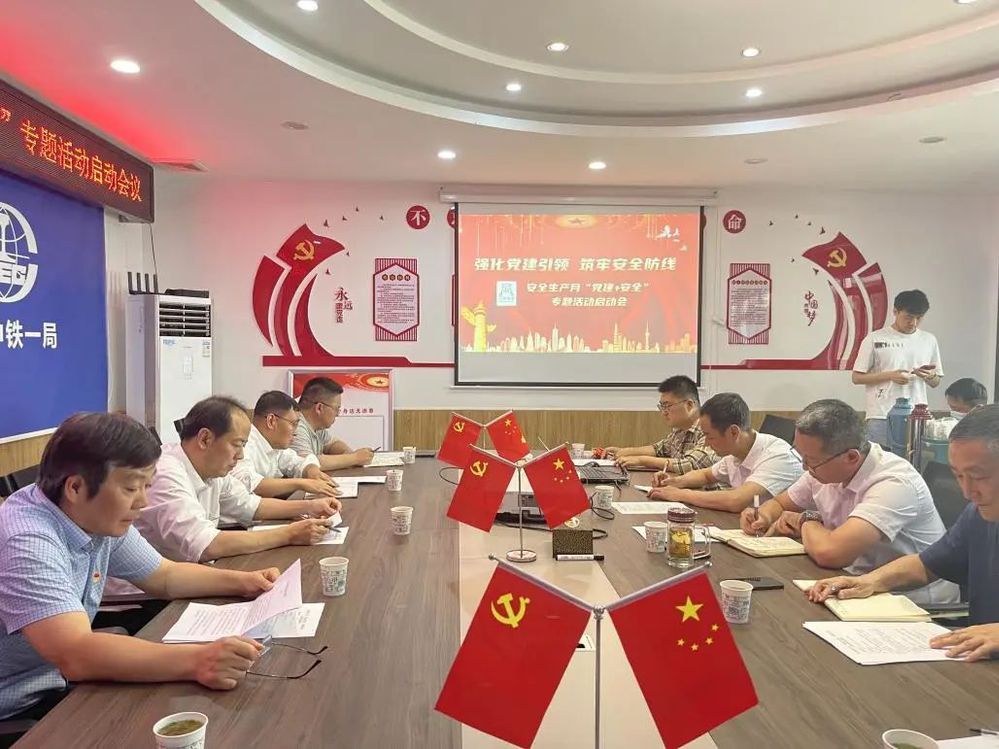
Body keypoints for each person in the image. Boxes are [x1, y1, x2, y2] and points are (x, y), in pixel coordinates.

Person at [0, 413, 275, 730]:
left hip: (55, 681)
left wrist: (245, 582)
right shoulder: (27, 540)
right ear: (75, 487)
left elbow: (164, 577)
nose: (143, 501)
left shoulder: (92, 515)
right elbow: (76, 654)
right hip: (17, 705)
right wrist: (200, 660)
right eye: (132, 488)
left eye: (147, 486)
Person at [807, 405, 999, 661]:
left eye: (978, 476)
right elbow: (926, 565)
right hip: (976, 661)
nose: (967, 492)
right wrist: (869, 581)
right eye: (959, 476)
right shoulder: (977, 515)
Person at [740, 399, 957, 605]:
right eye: (800, 455)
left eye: (811, 460)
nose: (804, 467)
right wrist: (763, 516)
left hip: (910, 602)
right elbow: (779, 504)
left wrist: (806, 519)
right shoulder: (823, 468)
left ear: (851, 457)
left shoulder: (894, 482)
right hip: (852, 582)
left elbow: (830, 553)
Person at [135, 396, 341, 562]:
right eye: (237, 444)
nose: (241, 455)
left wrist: (311, 506)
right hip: (147, 596)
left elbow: (251, 505)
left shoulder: (212, 469)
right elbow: (206, 545)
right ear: (205, 439)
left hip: (192, 573)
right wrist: (289, 534)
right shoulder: (166, 472)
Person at [648, 392, 802, 512]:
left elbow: (736, 500)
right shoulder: (737, 452)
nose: (706, 443)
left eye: (710, 436)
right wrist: (674, 482)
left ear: (733, 432)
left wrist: (681, 494)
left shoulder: (778, 456)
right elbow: (706, 475)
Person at [852, 289, 943, 447]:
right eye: (908, 317)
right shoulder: (875, 338)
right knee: (879, 459)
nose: (913, 322)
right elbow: (856, 377)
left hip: (918, 415)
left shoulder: (929, 340)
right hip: (882, 414)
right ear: (895, 311)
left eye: (919, 318)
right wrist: (890, 375)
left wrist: (929, 376)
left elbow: (936, 382)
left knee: (915, 459)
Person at [233, 390, 341, 498]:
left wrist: (311, 470)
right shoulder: (244, 444)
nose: (296, 432)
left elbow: (296, 461)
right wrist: (301, 484)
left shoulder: (274, 445)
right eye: (293, 424)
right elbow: (249, 483)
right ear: (271, 421)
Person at [603, 375, 717, 474]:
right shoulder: (680, 430)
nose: (663, 412)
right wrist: (622, 452)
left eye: (667, 406)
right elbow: (658, 449)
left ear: (689, 405)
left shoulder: (710, 429)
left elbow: (689, 464)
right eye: (662, 406)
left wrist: (641, 460)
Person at [291, 377, 375, 471]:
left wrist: (349, 454)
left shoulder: (317, 427)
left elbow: (333, 444)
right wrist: (355, 458)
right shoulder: (295, 426)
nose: (338, 414)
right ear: (319, 408)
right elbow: (308, 463)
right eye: (336, 408)